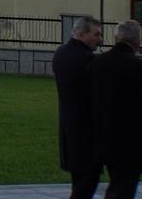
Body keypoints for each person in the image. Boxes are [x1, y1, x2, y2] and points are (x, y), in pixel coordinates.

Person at [89, 20, 142, 199]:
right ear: (138, 41)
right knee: (124, 187)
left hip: (103, 135)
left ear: (116, 38)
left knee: (117, 183)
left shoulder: (96, 64)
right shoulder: (140, 68)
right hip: (132, 140)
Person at [53, 15, 103, 199]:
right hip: (87, 130)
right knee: (88, 181)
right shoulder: (88, 60)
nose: (100, 39)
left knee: (78, 180)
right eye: (96, 34)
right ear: (82, 34)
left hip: (68, 126)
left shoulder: (60, 53)